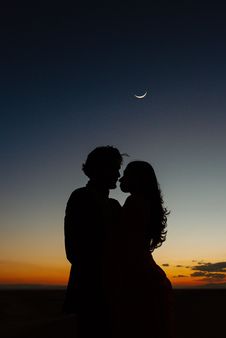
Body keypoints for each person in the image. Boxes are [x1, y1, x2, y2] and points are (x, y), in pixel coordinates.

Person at [63, 145, 123, 338]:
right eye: (114, 168)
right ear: (99, 169)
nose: (118, 174)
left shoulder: (114, 205)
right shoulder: (81, 197)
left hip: (111, 290)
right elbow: (74, 250)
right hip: (90, 291)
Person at [117, 160, 175, 338]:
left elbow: (124, 243)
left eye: (126, 174)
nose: (121, 178)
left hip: (139, 277)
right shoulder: (147, 203)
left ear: (137, 179)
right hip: (148, 274)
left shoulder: (134, 201)